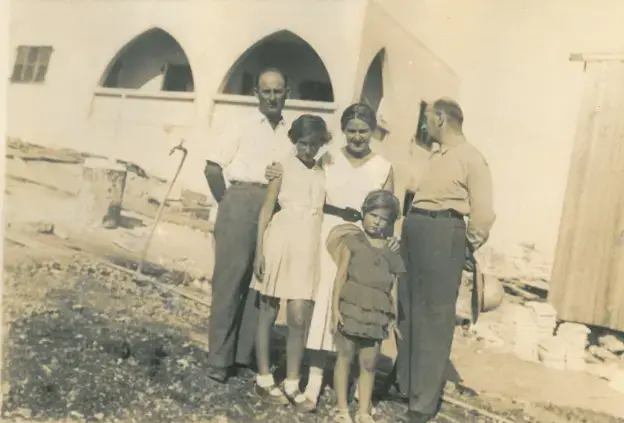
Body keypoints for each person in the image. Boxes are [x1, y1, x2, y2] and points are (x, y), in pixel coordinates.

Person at [265, 103, 397, 412]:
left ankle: (355, 385)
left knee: (356, 305)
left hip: (363, 239)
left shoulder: (383, 166)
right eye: (351, 131)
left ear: (373, 131)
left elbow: (389, 210)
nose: (356, 137)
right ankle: (313, 379)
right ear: (343, 131)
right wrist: (274, 170)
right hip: (326, 232)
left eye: (363, 131)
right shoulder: (329, 157)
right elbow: (299, 171)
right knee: (323, 302)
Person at [397, 98, 495, 423]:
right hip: (416, 229)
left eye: (427, 120)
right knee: (408, 309)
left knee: (435, 318)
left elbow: (483, 215)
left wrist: (462, 247)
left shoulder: (472, 158)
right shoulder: (433, 157)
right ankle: (405, 385)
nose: (424, 127)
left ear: (440, 118)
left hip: (443, 233)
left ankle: (423, 403)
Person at [203, 67, 292, 383]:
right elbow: (213, 168)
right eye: (266, 90)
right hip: (239, 201)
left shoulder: (290, 133)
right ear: (257, 93)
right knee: (229, 281)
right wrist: (227, 202)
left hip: (274, 207)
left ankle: (243, 355)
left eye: (277, 90)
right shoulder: (240, 125)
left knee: (261, 282)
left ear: (286, 93)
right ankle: (218, 360)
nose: (272, 96)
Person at [251, 115, 331, 405]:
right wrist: (259, 251)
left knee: (299, 315)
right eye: (302, 143)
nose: (308, 150)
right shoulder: (281, 168)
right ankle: (263, 376)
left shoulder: (323, 173)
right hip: (280, 242)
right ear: (294, 141)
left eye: (314, 145)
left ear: (322, 144)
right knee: (269, 310)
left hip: (308, 246)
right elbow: (266, 211)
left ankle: (293, 380)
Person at [329, 190, 405, 423]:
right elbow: (340, 276)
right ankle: (342, 409)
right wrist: (335, 311)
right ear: (363, 213)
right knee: (344, 356)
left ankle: (363, 410)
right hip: (350, 306)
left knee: (369, 363)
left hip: (376, 313)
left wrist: (392, 314)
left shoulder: (391, 251)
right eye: (372, 214)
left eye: (383, 218)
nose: (376, 221)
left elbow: (393, 285)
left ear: (390, 222)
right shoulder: (352, 241)